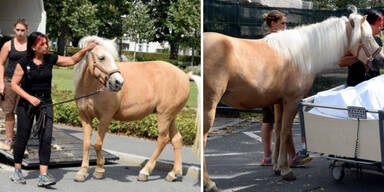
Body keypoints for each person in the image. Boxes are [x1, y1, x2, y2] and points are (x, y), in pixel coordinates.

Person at [9, 31, 97, 186]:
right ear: (34, 47)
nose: (46, 46)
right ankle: (17, 171)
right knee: (23, 136)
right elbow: (14, 85)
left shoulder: (50, 59)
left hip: (46, 104)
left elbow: (71, 60)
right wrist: (29, 98)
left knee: (46, 137)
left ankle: (43, 175)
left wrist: (85, 50)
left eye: (46, 43)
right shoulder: (23, 63)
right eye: (42, 44)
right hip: (26, 105)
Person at [260, 10, 312, 167]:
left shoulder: (267, 40)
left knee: (268, 122)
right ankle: (292, 156)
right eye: (283, 23)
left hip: (266, 85)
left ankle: (268, 156)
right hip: (275, 86)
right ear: (273, 24)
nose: (285, 26)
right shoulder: (275, 41)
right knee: (283, 123)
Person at [0, 19, 28, 151]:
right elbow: (1, 64)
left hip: (25, 83)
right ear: (14, 29)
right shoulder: (8, 45)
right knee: (9, 112)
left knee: (23, 113)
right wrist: (1, 83)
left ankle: (21, 141)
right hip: (10, 81)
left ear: (26, 30)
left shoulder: (31, 45)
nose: (20, 33)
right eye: (18, 30)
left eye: (22, 30)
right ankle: (9, 140)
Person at [339, 9, 384, 86]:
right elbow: (341, 62)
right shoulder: (354, 40)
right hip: (356, 86)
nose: (381, 28)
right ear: (369, 24)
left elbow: (380, 63)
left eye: (381, 25)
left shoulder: (378, 40)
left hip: (373, 84)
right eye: (378, 25)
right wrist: (361, 55)